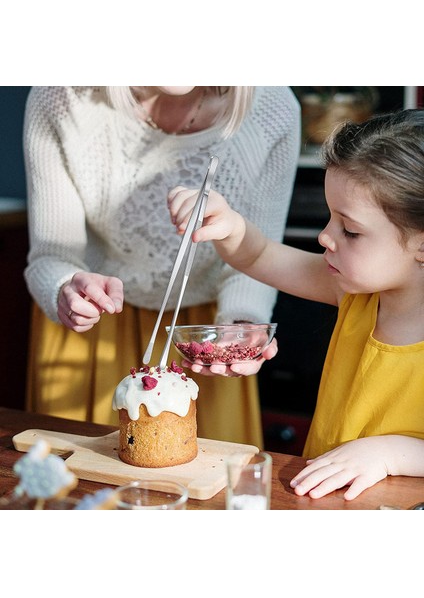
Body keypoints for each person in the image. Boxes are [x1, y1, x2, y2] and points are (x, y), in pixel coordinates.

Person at [23, 86, 301, 447]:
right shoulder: (62, 96)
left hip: (205, 334)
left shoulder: (273, 108)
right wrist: (64, 287)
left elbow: (257, 255)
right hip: (91, 329)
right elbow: (50, 255)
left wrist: (241, 326)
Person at [168, 108, 424, 499]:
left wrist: (389, 453)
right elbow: (258, 258)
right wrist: (231, 226)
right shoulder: (355, 293)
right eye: (330, 218)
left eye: (350, 230)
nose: (325, 236)